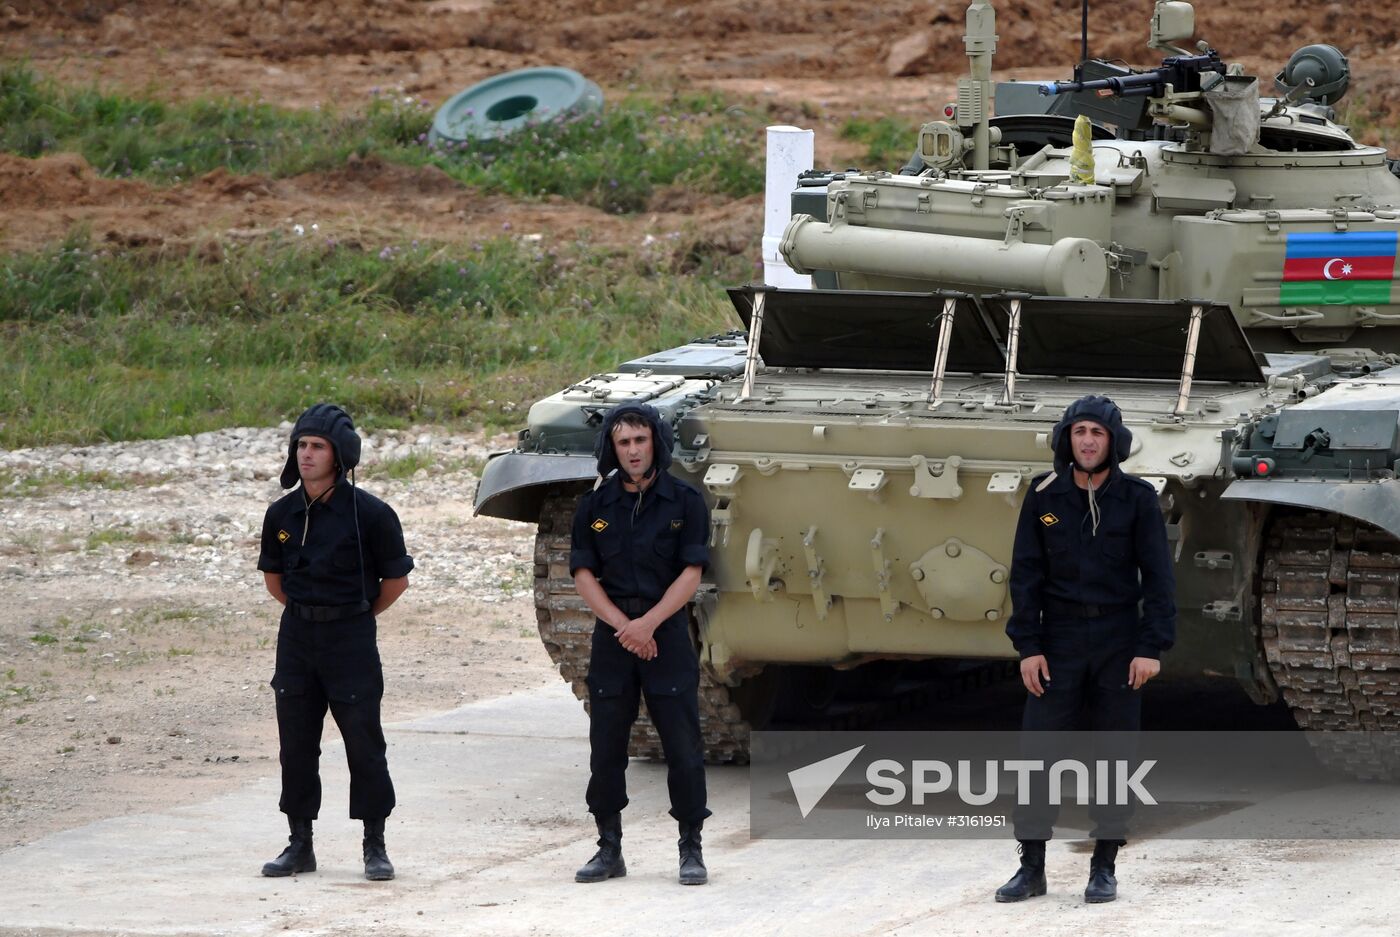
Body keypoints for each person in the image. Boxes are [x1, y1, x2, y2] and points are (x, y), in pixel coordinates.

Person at [996, 394, 1175, 905]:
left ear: (1113, 441)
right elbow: (1026, 576)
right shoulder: (1045, 496)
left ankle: (1104, 867)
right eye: (1080, 432)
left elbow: (1160, 581)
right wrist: (1028, 647)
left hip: (1120, 643)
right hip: (1060, 642)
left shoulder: (1137, 499)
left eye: (1097, 432)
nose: (1089, 441)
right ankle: (1031, 868)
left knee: (1114, 756)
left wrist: (1151, 646)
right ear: (1066, 440)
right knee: (1038, 757)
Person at [256, 404, 413, 881]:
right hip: (298, 638)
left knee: (365, 745)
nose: (306, 455)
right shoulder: (280, 513)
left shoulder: (372, 515)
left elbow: (395, 582)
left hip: (351, 638)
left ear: (340, 455)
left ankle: (375, 845)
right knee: (296, 745)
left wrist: (353, 615)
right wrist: (310, 614)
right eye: (301, 445)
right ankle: (299, 844)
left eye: (317, 446)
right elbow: (274, 579)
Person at [568, 401, 712, 885]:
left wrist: (647, 624)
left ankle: (690, 849)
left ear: (656, 443)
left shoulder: (685, 502)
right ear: (612, 448)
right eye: (623, 442)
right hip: (614, 636)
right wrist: (624, 627)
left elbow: (691, 573)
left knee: (683, 746)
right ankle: (609, 849)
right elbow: (584, 575)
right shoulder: (594, 505)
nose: (632, 451)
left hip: (665, 632)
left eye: (640, 440)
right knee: (606, 744)